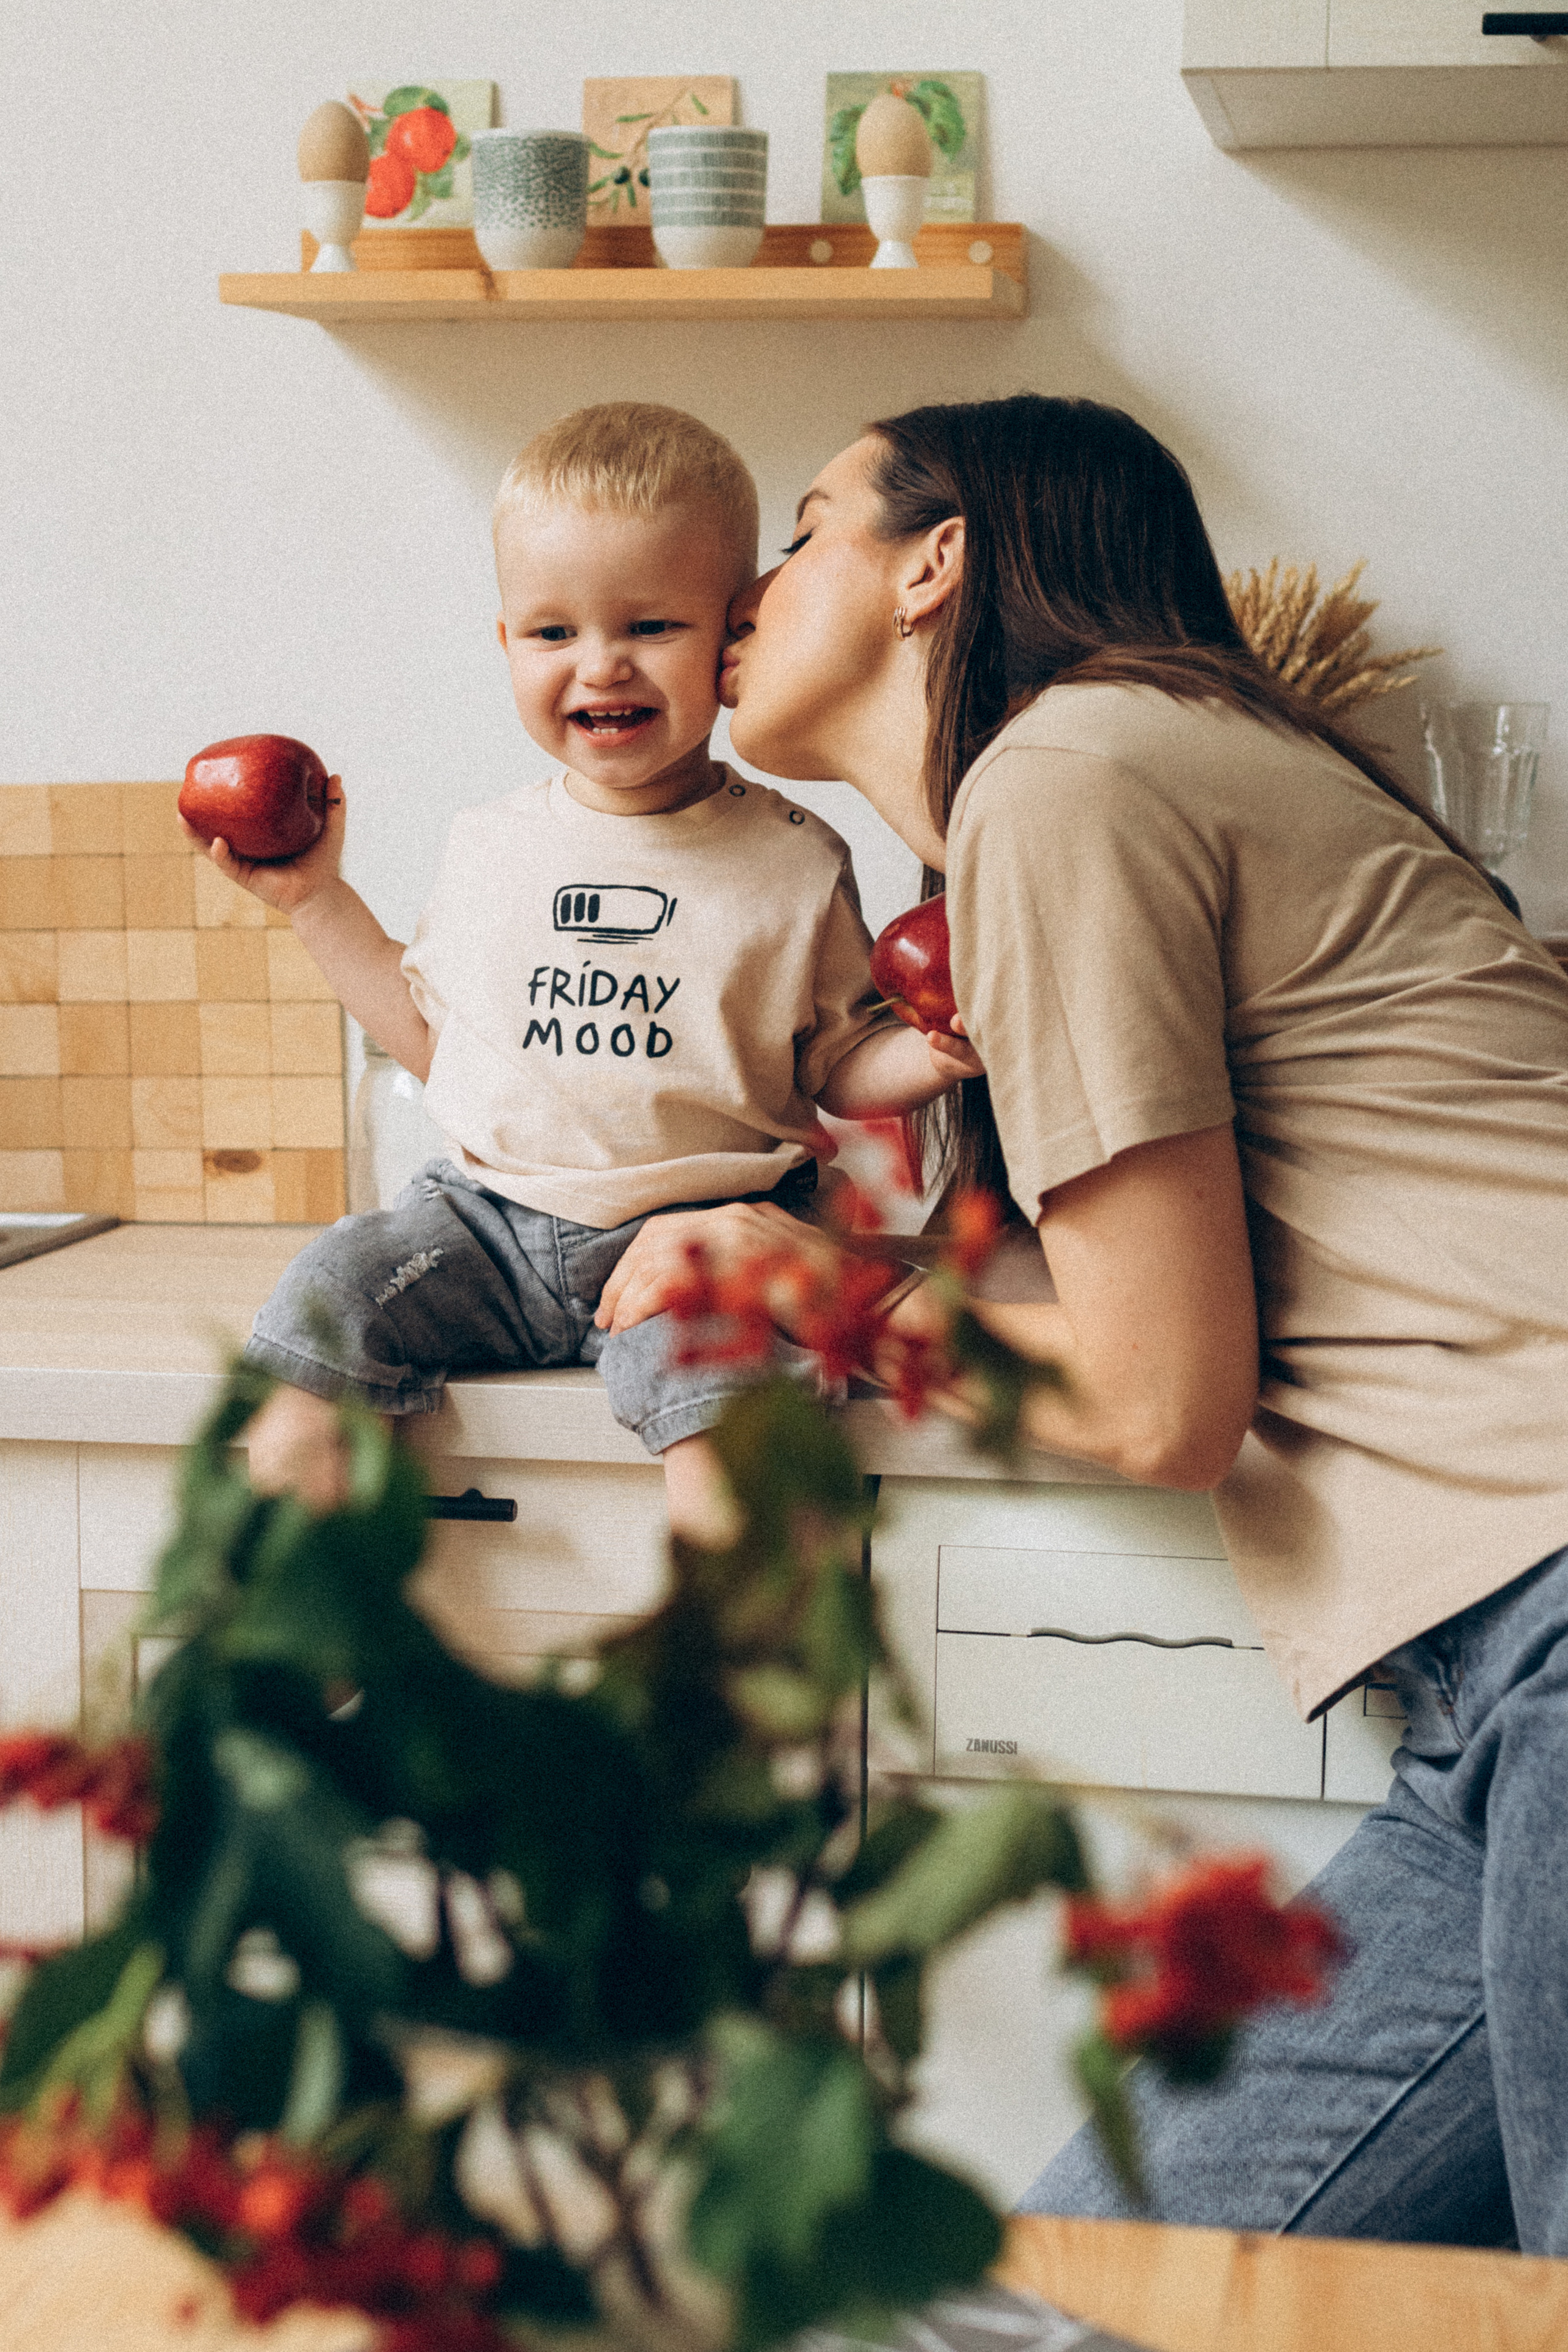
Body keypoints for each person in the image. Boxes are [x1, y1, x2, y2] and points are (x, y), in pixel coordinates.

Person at [596, 393, 1568, 2251]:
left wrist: (807, 1296)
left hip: (1552, 1611)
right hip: (1498, 1681)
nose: (749, 594)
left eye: (803, 531)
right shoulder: (1121, 770)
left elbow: (1156, 1401)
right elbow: (1133, 1296)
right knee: (1106, 2289)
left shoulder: (1066, 776)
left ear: (934, 561)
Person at [192, 402, 978, 1532]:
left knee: (732, 1420)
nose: (599, 664)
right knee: (330, 1294)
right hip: (484, 1227)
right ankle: (292, 1630)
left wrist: (940, 1054)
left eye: (651, 625)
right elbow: (434, 1039)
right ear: (505, 645)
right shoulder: (487, 845)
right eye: (553, 633)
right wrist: (317, 899)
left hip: (708, 1232)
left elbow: (841, 1064)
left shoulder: (797, 860)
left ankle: (722, 1676)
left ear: (733, 640)